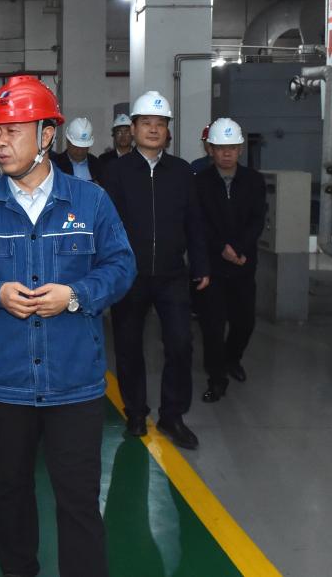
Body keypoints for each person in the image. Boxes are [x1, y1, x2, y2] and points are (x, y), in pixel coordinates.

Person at [0, 76, 136, 577]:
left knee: (79, 501)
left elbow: (121, 265)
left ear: (47, 135)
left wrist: (76, 295)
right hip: (5, 382)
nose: (0, 143)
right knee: (12, 497)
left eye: (13, 131)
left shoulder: (90, 202)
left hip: (74, 382)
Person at [104, 91, 210, 450]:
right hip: (128, 275)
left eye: (160, 124)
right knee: (128, 346)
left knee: (180, 343)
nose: (153, 129)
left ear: (168, 132)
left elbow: (194, 221)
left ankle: (172, 416)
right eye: (146, 123)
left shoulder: (181, 172)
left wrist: (201, 263)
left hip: (171, 275)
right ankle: (135, 411)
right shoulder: (116, 172)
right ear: (132, 129)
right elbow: (106, 225)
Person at [195, 118, 266, 402]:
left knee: (244, 322)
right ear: (211, 149)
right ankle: (217, 378)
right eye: (221, 148)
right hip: (212, 266)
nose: (227, 153)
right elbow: (198, 223)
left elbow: (257, 219)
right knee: (212, 326)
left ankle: (232, 358)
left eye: (232, 148)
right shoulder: (199, 182)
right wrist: (221, 248)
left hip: (243, 263)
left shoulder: (254, 181)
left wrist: (238, 248)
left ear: (240, 149)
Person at [51, 116, 103, 185]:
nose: (79, 152)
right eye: (76, 147)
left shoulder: (97, 164)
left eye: (83, 147)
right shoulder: (55, 165)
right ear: (68, 141)